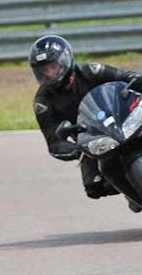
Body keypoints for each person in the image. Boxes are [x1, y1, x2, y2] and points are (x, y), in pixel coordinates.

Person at [31, 34, 142, 208]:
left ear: (65, 61)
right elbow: (54, 142)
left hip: (122, 119)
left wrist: (137, 78)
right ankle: (134, 196)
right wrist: (76, 150)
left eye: (53, 67)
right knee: (94, 186)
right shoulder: (43, 103)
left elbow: (126, 77)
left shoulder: (92, 71)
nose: (50, 73)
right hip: (92, 140)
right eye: (44, 70)